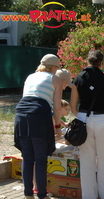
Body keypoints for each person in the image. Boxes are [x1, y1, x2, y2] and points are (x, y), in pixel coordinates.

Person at [70, 50, 104, 199]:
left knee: (87, 159)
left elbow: (73, 105)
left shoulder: (79, 78)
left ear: (87, 61)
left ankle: (89, 196)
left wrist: (81, 117)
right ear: (101, 63)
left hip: (84, 119)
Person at [14, 54, 63, 199]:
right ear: (54, 67)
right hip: (39, 117)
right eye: (57, 68)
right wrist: (58, 126)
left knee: (27, 158)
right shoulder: (56, 79)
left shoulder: (30, 76)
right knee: (41, 160)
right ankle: (42, 195)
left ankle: (28, 194)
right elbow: (57, 107)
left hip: (21, 116)